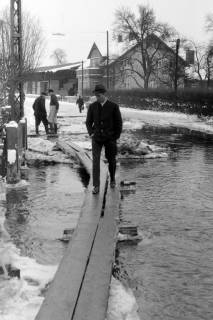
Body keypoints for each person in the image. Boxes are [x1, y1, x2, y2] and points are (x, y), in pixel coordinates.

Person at [86, 84, 122, 194]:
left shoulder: (113, 106)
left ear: (103, 94)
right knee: (95, 161)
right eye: (96, 96)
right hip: (96, 138)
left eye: (99, 95)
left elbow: (118, 123)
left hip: (109, 138)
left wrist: (115, 137)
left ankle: (112, 179)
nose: (97, 97)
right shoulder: (92, 106)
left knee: (111, 160)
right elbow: (88, 122)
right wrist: (91, 133)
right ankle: (96, 186)